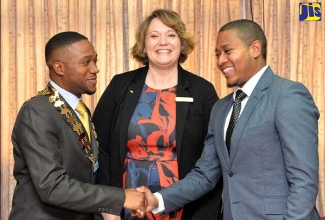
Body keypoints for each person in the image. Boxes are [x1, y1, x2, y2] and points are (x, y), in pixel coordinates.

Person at [138, 19, 321, 220]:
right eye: (217, 54)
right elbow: (205, 175)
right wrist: (157, 200)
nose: (221, 60)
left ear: (255, 49)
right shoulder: (221, 108)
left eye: (227, 51)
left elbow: (304, 180)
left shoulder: (287, 95)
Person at [92, 9, 223, 220]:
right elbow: (100, 147)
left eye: (171, 35)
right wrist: (108, 204)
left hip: (184, 208)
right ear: (143, 45)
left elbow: (213, 158)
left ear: (181, 43)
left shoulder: (202, 91)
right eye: (154, 36)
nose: (163, 42)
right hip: (124, 208)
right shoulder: (121, 85)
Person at [9, 31, 146, 220]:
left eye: (95, 61)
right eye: (86, 62)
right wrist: (121, 197)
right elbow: (53, 187)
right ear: (59, 68)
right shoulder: (37, 112)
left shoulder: (78, 110)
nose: (95, 69)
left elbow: (86, 174)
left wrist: (106, 207)